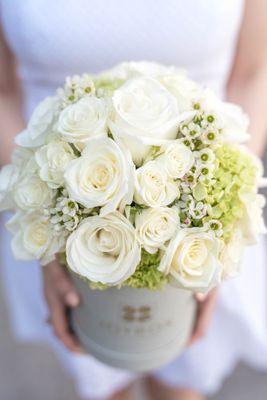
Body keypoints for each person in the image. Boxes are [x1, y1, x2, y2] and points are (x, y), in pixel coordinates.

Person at [0, 1, 267, 399]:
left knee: (182, 382)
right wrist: (47, 233)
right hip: (54, 208)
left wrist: (217, 233)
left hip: (201, 204)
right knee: (102, 377)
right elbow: (3, 92)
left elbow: (252, 73)